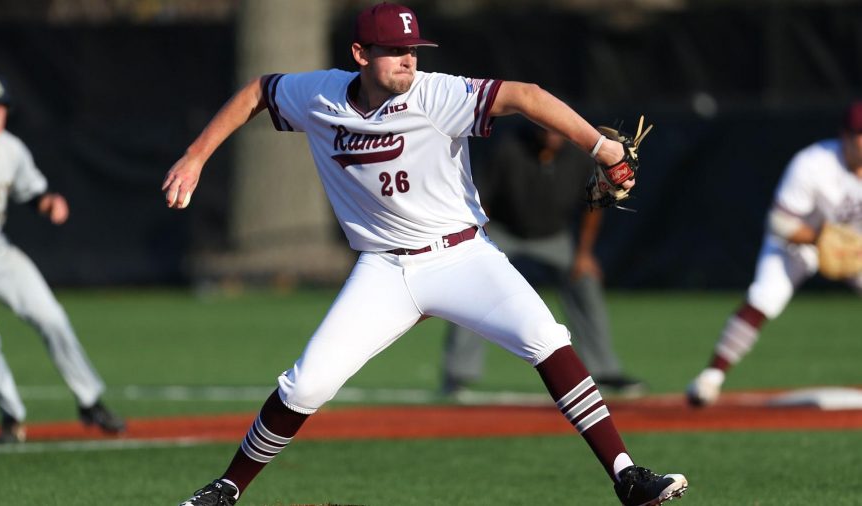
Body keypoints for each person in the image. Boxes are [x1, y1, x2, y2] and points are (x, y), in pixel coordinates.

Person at [164, 4, 687, 505]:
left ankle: (626, 477)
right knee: (306, 384)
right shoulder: (319, 95)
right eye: (394, 49)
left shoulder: (436, 95)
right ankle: (226, 490)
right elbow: (258, 91)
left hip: (461, 257)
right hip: (383, 269)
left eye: (413, 47)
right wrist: (196, 155)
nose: (409, 58)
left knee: (547, 340)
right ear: (360, 54)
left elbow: (526, 95)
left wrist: (603, 147)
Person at [0, 72, 126, 443]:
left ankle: (89, 399)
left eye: (1, 105)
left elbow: (32, 191)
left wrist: (48, 203)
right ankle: (12, 416)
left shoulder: (11, 149)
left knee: (51, 317)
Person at [441, 123, 644, 398]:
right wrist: (476, 244)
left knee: (585, 278)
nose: (552, 135)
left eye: (557, 130)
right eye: (547, 129)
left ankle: (605, 369)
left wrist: (584, 254)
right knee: (474, 284)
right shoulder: (509, 150)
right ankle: (457, 373)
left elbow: (593, 205)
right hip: (504, 230)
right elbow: (482, 199)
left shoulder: (578, 158)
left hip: (553, 237)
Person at [686, 101, 862, 407]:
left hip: (855, 248)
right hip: (798, 240)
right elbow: (780, 223)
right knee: (765, 296)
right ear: (845, 135)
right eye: (861, 134)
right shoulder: (814, 163)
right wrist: (823, 239)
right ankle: (711, 378)